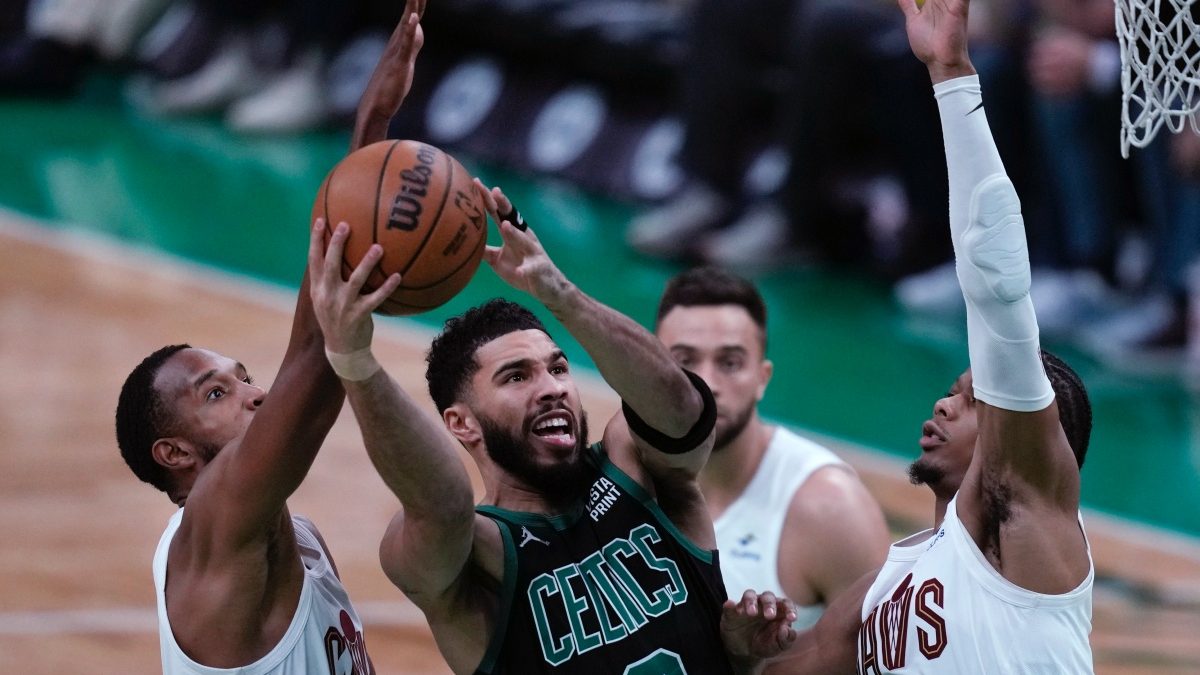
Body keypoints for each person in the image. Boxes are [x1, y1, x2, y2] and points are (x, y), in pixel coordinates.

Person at [308, 177, 797, 672]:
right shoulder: (477, 554)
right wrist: (354, 361)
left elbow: (684, 413)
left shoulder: (637, 468)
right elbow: (439, 503)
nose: (552, 387)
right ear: (463, 424)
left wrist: (557, 291)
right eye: (516, 376)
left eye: (558, 368)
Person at [757, 0, 1096, 670]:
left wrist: (952, 74)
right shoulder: (889, 584)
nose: (944, 404)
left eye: (973, 401)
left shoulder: (1024, 505)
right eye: (953, 392)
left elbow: (998, 292)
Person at [112, 2, 425, 671]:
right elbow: (313, 366)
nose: (256, 394)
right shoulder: (214, 529)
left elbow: (304, 356)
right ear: (175, 452)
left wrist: (370, 127)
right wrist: (368, 131)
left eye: (243, 375)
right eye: (217, 392)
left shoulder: (295, 536)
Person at [654, 267, 890, 626]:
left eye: (730, 363)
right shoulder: (623, 479)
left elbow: (888, 658)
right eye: (685, 361)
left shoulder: (829, 508)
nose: (707, 383)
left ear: (762, 379)